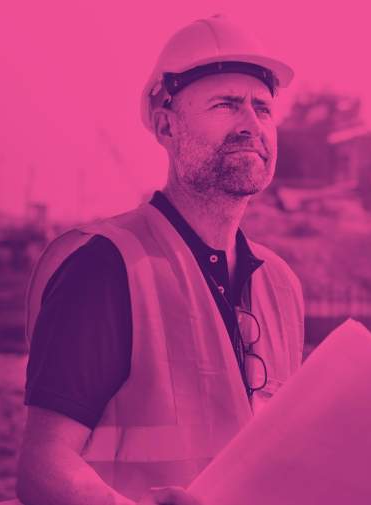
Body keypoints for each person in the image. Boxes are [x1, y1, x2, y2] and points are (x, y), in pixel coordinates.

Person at [15, 14, 304, 505]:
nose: (251, 125)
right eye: (226, 105)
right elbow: (43, 469)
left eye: (262, 108)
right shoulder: (105, 267)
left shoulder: (281, 285)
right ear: (167, 126)